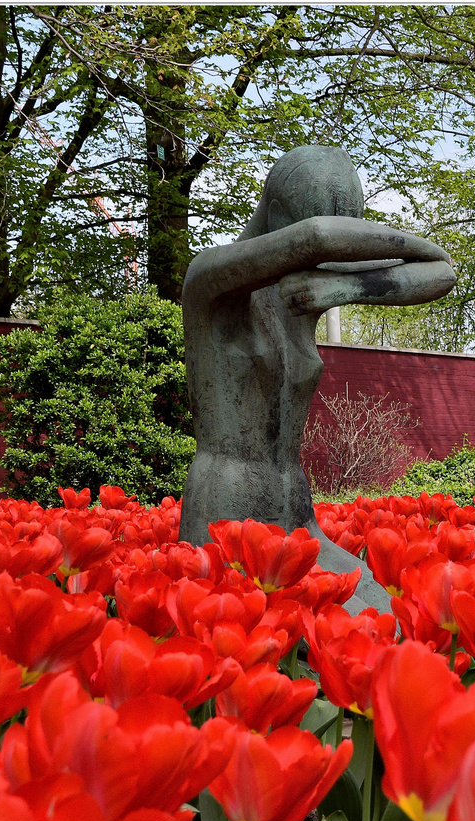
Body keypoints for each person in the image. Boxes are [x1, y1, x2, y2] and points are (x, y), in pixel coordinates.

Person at [178, 146, 455, 610]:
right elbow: (318, 234)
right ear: (275, 210)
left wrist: (344, 286)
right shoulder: (211, 278)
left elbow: (441, 273)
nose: (338, 251)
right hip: (226, 512)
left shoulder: (304, 288)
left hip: (295, 508)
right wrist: (344, 253)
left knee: (382, 612)